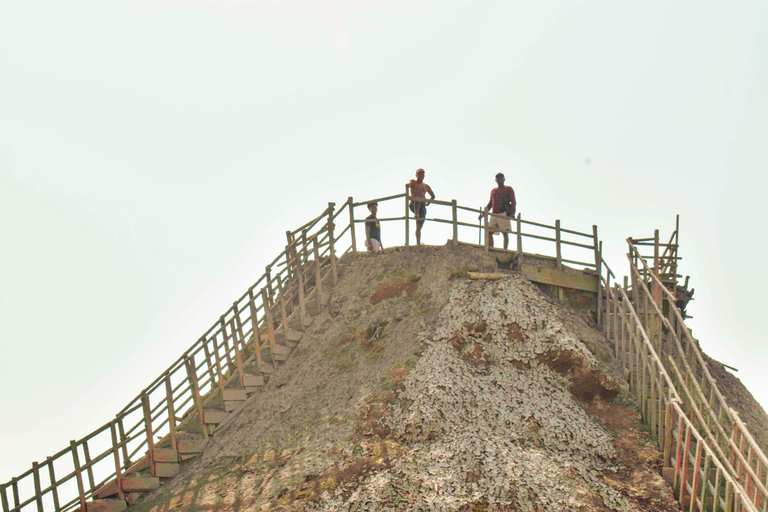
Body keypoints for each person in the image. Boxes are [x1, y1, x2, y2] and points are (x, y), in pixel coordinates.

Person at [479, 172, 516, 249]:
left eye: (501, 178)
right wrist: (483, 213)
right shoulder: (493, 191)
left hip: (503, 212)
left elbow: (513, 201)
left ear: (504, 179)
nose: (500, 179)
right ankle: (491, 248)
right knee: (489, 231)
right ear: (496, 180)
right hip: (494, 214)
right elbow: (490, 203)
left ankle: (505, 249)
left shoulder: (508, 189)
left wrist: (512, 213)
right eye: (498, 178)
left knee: (504, 232)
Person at [406, 168, 435, 245]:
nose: (421, 176)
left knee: (419, 226)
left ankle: (418, 243)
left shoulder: (425, 186)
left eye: (422, 174)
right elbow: (408, 185)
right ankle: (416, 213)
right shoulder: (413, 182)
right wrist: (408, 185)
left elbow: (433, 195)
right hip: (414, 203)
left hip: (422, 206)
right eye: (419, 174)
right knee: (417, 200)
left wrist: (429, 202)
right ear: (416, 175)